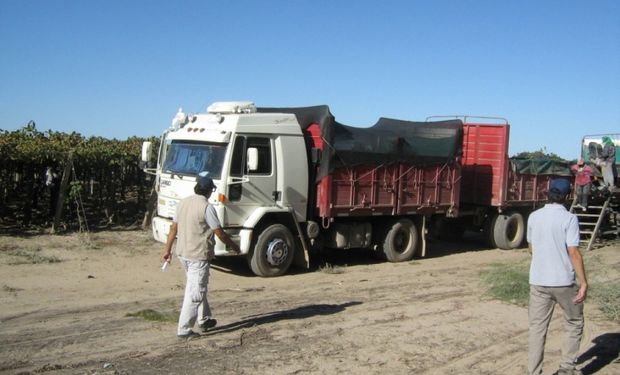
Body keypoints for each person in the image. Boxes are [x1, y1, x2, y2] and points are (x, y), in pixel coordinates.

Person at [162, 175, 241, 339]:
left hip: (183, 252)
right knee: (195, 292)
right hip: (198, 254)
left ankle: (204, 319)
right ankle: (184, 329)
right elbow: (219, 232)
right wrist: (234, 246)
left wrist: (167, 249)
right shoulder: (207, 207)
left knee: (195, 285)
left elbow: (173, 229)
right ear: (209, 191)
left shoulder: (183, 203)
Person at [527, 178, 588, 375]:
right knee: (574, 322)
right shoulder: (569, 219)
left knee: (537, 328)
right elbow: (573, 253)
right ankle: (566, 369)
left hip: (538, 281)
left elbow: (531, 248)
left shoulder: (534, 217)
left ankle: (533, 372)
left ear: (547, 193)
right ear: (568, 196)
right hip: (563, 282)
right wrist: (584, 282)